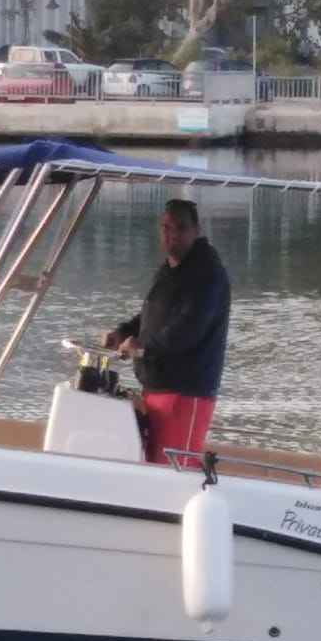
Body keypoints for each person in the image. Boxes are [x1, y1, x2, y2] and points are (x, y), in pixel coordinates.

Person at [102, 199, 230, 466]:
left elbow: (189, 328)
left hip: (186, 393)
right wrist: (122, 332)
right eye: (166, 227)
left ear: (196, 230)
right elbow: (150, 317)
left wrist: (143, 346)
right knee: (153, 468)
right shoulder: (169, 270)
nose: (171, 234)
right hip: (156, 388)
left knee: (173, 474)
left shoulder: (208, 275)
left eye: (180, 228)